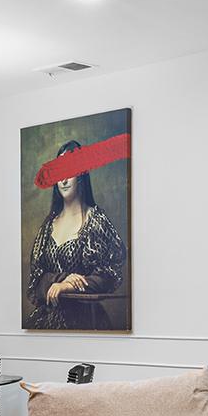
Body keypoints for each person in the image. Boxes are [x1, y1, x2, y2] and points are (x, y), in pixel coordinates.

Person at [24, 140, 128, 329]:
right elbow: (35, 281)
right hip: (46, 323)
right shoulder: (48, 226)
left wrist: (68, 286)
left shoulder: (95, 220)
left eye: (69, 172)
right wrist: (60, 279)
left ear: (81, 174)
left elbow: (108, 276)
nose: (63, 180)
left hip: (85, 321)